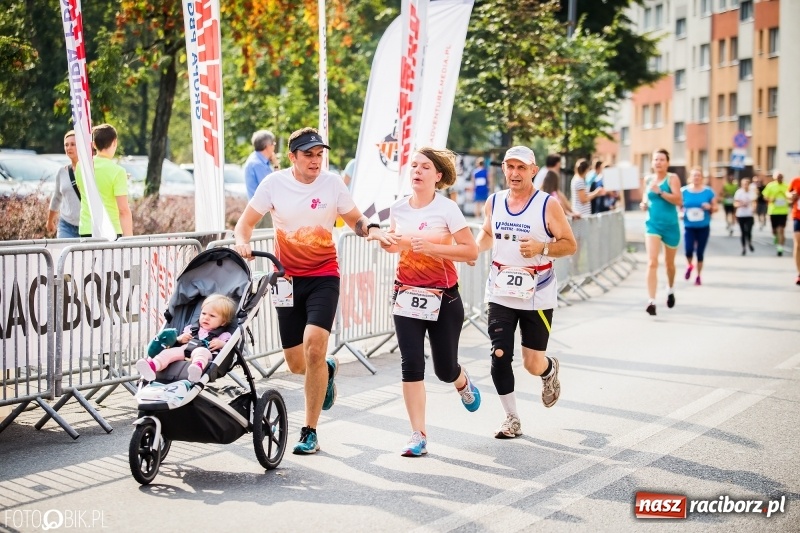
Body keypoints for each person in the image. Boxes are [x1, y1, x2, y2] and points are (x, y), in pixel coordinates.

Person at [233, 126, 394, 455]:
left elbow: (355, 220)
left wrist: (373, 230)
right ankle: (328, 368)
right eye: (308, 154)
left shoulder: (332, 184)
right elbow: (244, 223)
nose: (316, 160)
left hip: (324, 276)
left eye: (320, 154)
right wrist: (242, 243)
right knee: (296, 363)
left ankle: (310, 430)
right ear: (291, 157)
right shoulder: (273, 184)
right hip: (286, 280)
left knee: (314, 347)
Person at [378, 147, 480, 456]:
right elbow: (398, 244)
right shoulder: (398, 208)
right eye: (414, 166)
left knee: (444, 369)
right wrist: (389, 244)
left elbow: (471, 251)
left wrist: (435, 249)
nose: (417, 171)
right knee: (411, 365)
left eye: (425, 167)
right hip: (407, 294)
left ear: (437, 176)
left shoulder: (447, 209)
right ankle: (417, 435)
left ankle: (461, 381)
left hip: (443, 296)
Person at [475, 146, 577, 439]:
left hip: (537, 293)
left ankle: (548, 370)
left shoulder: (547, 205)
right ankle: (511, 418)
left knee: (532, 363)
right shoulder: (493, 202)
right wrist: (471, 249)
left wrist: (541, 247)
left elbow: (569, 244)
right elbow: (486, 233)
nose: (515, 173)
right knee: (499, 353)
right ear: (504, 169)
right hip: (500, 290)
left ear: (534, 170)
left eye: (522, 168)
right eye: (510, 167)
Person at [136, 294, 237, 383]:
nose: (206, 318)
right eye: (204, 313)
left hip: (206, 353)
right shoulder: (192, 328)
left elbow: (230, 346)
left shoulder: (224, 335)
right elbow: (179, 340)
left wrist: (221, 344)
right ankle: (152, 366)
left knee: (201, 352)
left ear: (223, 322)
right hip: (185, 350)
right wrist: (180, 339)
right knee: (168, 353)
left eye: (212, 316)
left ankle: (196, 368)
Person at [640, 149, 682, 315]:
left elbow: (678, 200)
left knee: (669, 265)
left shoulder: (672, 178)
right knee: (652, 262)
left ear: (667, 162)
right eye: (655, 159)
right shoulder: (648, 179)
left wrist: (660, 192)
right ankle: (651, 301)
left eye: (661, 159)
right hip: (652, 225)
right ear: (652, 162)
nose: (658, 162)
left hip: (671, 226)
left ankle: (670, 288)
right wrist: (643, 203)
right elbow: (646, 197)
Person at [76, 123, 133, 238]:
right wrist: (129, 238)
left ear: (94, 144)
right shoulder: (118, 171)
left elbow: (82, 193)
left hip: (87, 228)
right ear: (115, 142)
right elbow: (123, 210)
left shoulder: (81, 166)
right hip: (111, 230)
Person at [680, 167, 717, 285]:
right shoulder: (683, 191)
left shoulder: (708, 192)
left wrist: (710, 207)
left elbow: (716, 207)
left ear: (702, 178)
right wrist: (680, 213)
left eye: (698, 176)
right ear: (690, 178)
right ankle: (690, 266)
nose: (696, 178)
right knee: (688, 250)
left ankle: (698, 276)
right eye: (694, 175)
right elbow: (678, 206)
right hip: (689, 226)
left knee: (700, 252)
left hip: (703, 226)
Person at [46, 131, 81, 238]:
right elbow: (56, 198)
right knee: (64, 254)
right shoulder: (62, 172)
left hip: (87, 226)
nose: (69, 147)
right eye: (66, 145)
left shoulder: (90, 171)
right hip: (66, 225)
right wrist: (50, 221)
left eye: (73, 144)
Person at [244, 130, 280, 229]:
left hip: (261, 209)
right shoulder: (258, 164)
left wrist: (275, 164)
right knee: (264, 242)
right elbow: (274, 186)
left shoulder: (259, 161)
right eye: (273, 144)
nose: (274, 147)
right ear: (267, 146)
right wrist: (276, 164)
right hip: (262, 211)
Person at [762, 171, 790, 256]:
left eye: (781, 177)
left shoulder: (787, 186)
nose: (779, 178)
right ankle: (775, 236)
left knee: (781, 230)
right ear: (774, 178)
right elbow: (765, 196)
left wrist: (789, 200)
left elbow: (789, 196)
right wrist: (771, 199)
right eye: (778, 177)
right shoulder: (770, 186)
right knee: (774, 230)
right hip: (773, 211)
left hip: (783, 211)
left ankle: (780, 248)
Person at [734, 177, 757, 256]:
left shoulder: (751, 193)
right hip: (741, 215)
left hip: (749, 215)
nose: (745, 186)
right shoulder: (739, 192)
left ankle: (749, 243)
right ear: (742, 185)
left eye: (747, 184)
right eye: (744, 184)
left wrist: (754, 208)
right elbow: (735, 203)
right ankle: (743, 248)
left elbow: (754, 202)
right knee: (743, 232)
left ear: (749, 185)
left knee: (749, 231)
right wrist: (740, 204)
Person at [788, 175, 800, 285]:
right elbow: (788, 193)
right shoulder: (796, 180)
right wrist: (791, 195)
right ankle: (799, 273)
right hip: (798, 216)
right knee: (798, 244)